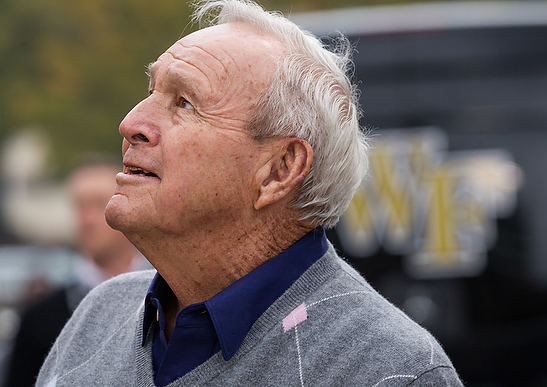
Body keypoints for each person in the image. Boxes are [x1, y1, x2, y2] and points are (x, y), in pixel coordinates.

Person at [36, 1, 463, 385]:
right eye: (151, 92)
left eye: (184, 102)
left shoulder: (392, 371)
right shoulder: (98, 315)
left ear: (280, 170)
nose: (131, 123)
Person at [5, 160, 147, 387]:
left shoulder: (168, 298)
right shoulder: (40, 317)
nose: (87, 219)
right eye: (79, 205)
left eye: (99, 204)